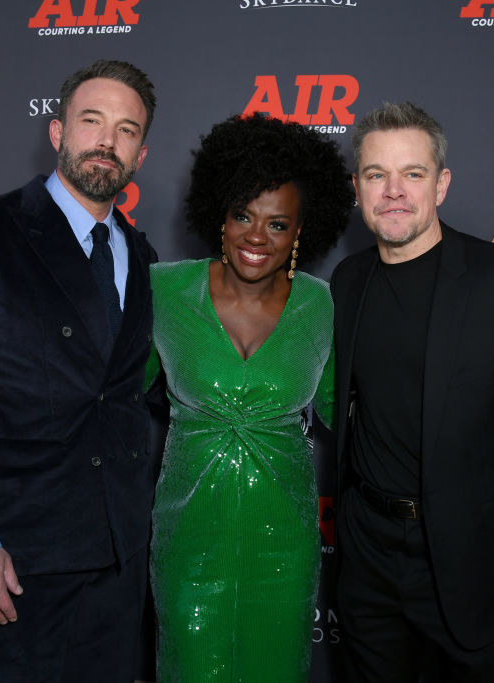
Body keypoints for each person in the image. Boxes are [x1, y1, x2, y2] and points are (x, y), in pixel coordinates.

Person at [0, 60, 158, 682]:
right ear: (56, 132)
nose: (107, 140)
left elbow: (130, 399)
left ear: (142, 155)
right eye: (91, 120)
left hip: (120, 552)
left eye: (126, 130)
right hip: (18, 553)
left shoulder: (144, 254)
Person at [331, 102, 494, 682]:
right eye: (377, 175)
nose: (393, 191)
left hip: (475, 564)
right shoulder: (348, 282)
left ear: (441, 184)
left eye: (413, 174)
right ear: (358, 188)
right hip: (367, 559)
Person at [146, 114, 353, 681]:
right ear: (220, 214)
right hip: (188, 535)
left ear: (301, 232)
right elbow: (107, 396)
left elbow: (351, 419)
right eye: (243, 215)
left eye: (278, 223)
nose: (256, 237)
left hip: (283, 543)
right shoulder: (162, 291)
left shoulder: (322, 307)